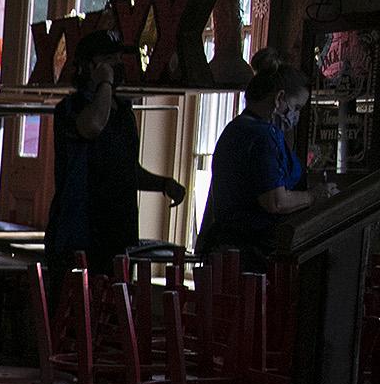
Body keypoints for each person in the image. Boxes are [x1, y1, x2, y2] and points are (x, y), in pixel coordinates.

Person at [44, 29, 187, 269]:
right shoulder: (71, 109)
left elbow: (126, 170)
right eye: (110, 60)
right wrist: (105, 83)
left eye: (119, 60)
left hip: (119, 233)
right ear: (91, 66)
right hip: (79, 234)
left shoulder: (123, 112)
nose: (118, 65)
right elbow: (92, 126)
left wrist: (162, 184)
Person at [197, 52, 325, 270]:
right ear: (279, 98)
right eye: (296, 108)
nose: (295, 116)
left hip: (228, 250)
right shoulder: (263, 136)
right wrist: (314, 196)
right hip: (252, 255)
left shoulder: (235, 128)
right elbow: (275, 201)